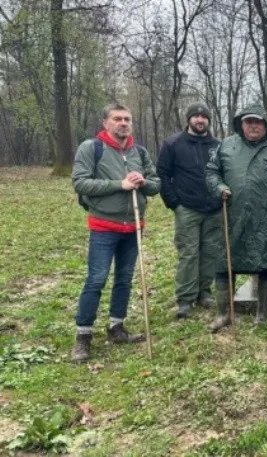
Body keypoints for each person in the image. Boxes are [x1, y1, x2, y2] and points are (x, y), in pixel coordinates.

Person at [70, 103, 161, 362]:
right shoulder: (91, 148)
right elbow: (80, 182)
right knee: (96, 279)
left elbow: (156, 185)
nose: (123, 123)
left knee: (124, 278)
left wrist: (143, 182)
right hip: (104, 227)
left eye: (127, 119)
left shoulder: (139, 152)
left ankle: (116, 328)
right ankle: (83, 336)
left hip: (133, 226)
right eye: (117, 119)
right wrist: (119, 185)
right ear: (106, 123)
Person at [205, 104, 267, 332]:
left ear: (266, 124)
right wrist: (219, 187)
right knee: (225, 264)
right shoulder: (225, 146)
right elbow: (211, 172)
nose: (254, 126)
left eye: (258, 122)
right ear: (241, 124)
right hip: (233, 215)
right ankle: (224, 314)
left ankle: (262, 316)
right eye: (249, 121)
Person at [157, 102, 222, 319]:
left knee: (210, 252)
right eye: (196, 116)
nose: (200, 120)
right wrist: (173, 202)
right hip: (187, 207)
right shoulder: (173, 144)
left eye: (204, 117)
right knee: (188, 252)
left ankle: (204, 292)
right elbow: (163, 175)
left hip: (213, 208)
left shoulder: (217, 146)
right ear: (188, 119)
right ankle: (185, 298)